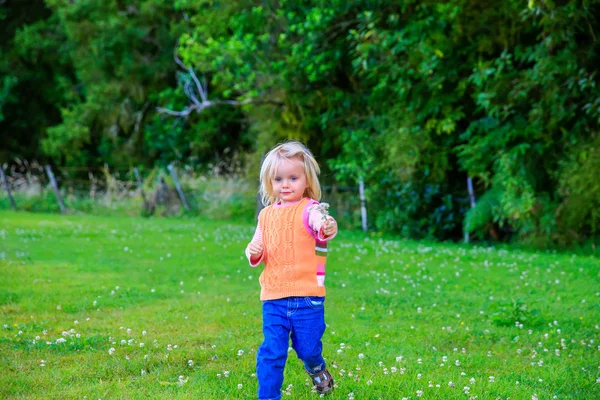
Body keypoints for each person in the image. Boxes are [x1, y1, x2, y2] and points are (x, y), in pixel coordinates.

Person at [245, 141, 338, 399]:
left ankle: (316, 366)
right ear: (269, 182)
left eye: (293, 178)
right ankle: (268, 396)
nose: (285, 184)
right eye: (278, 179)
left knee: (307, 349)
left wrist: (327, 226)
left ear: (306, 180)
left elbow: (322, 223)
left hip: (307, 298)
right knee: (272, 352)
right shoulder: (265, 216)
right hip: (273, 297)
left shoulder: (310, 209)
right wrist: (253, 253)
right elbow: (257, 244)